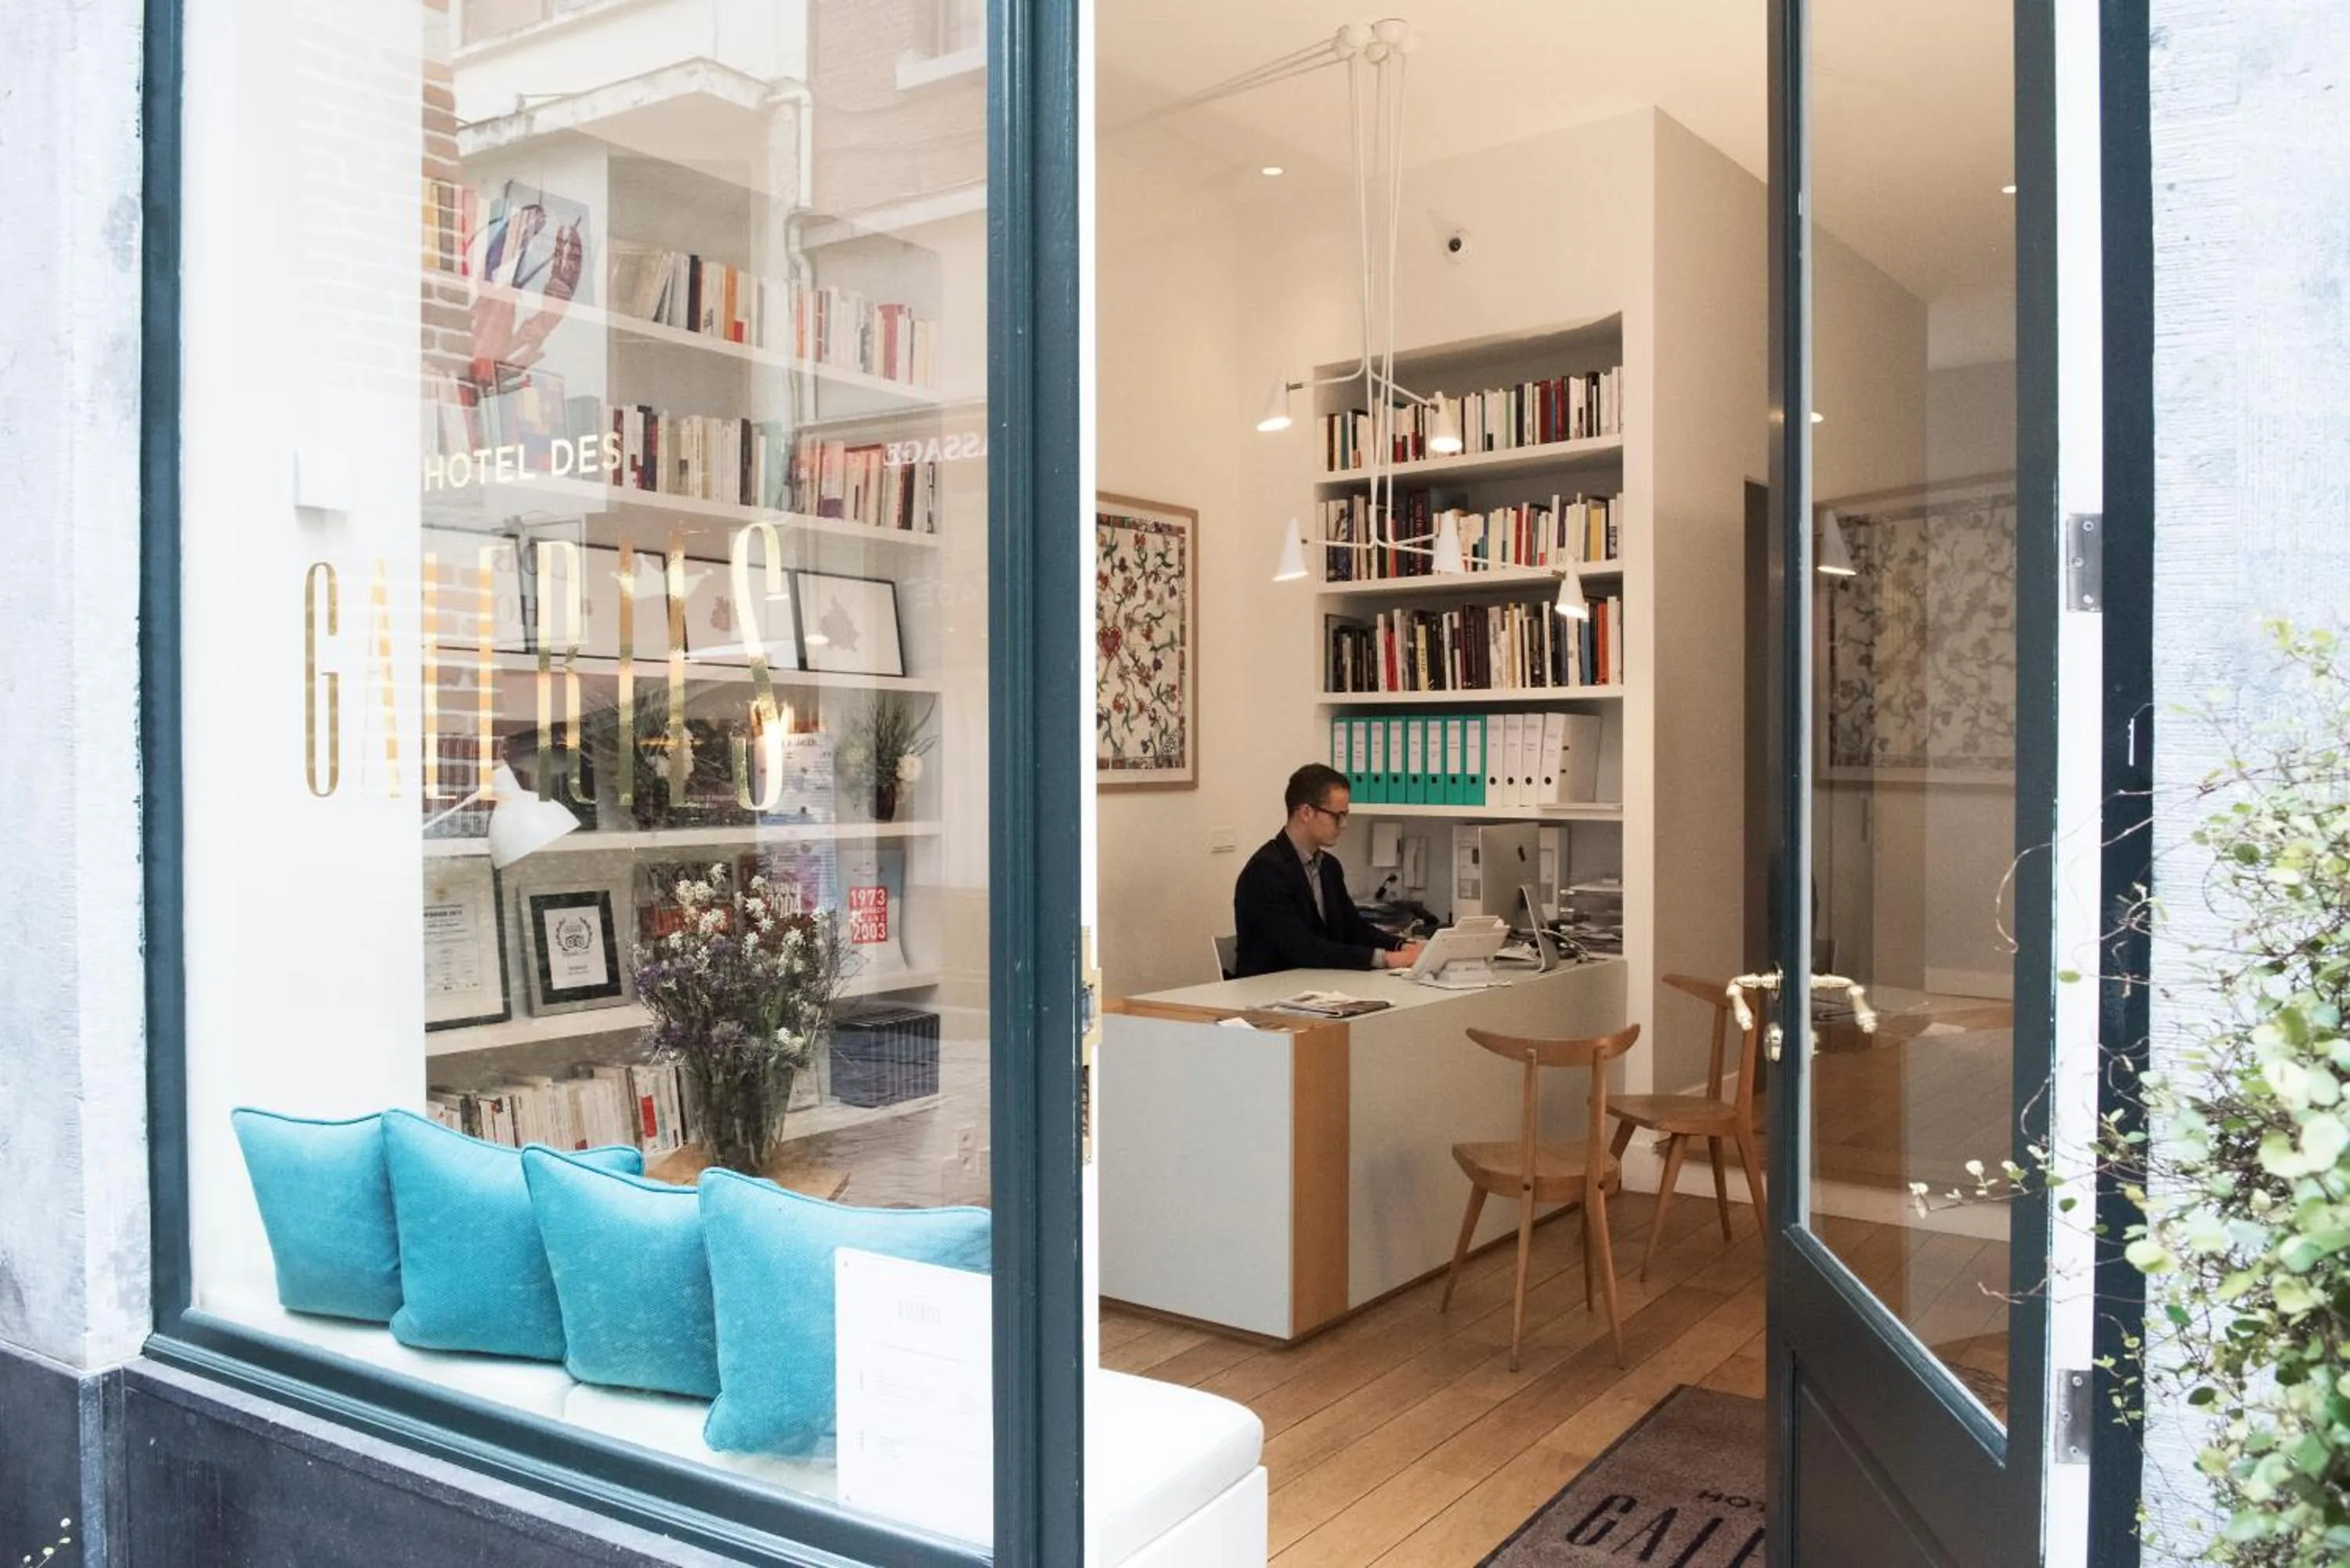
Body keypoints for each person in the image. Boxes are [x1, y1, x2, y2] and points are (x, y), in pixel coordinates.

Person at [1231, 764, 1428, 978]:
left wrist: (1403, 945)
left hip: (1321, 985)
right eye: (1338, 816)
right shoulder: (1265, 872)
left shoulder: (1328, 867)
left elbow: (1353, 928)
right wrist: (1385, 958)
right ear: (1306, 812)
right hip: (1270, 989)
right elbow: (1303, 948)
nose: (1344, 825)